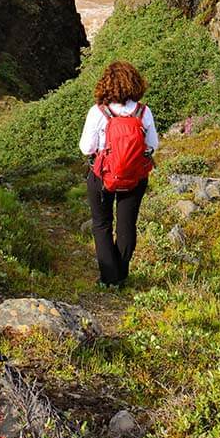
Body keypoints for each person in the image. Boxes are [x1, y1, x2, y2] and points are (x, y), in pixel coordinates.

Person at [79, 60, 158, 286]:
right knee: (127, 226)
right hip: (135, 176)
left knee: (101, 224)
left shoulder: (98, 112)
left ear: (105, 84)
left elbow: (86, 148)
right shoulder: (144, 111)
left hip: (103, 176)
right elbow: (152, 145)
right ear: (135, 82)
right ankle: (121, 275)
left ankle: (108, 278)